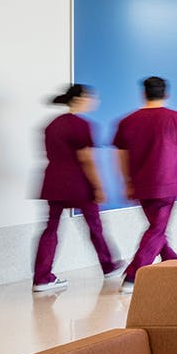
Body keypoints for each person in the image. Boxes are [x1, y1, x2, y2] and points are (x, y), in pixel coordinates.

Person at [112, 76, 177, 293]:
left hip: (141, 185)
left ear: (144, 94)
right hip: (166, 185)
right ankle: (133, 275)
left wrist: (127, 181)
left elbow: (122, 157)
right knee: (157, 229)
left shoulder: (127, 121)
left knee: (157, 227)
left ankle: (171, 260)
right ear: (166, 94)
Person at [31, 83, 122, 293]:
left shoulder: (51, 125)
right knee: (95, 227)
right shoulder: (82, 125)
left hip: (53, 183)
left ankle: (42, 278)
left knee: (50, 229)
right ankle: (108, 266)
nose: (93, 101)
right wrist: (98, 187)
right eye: (90, 97)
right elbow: (86, 159)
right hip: (78, 184)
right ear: (79, 99)